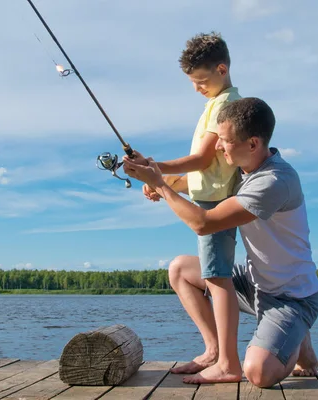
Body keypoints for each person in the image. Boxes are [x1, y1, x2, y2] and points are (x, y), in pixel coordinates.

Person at [122, 97, 318, 387]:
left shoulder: (274, 181)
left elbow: (204, 223)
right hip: (254, 283)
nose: (217, 146)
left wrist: (162, 186)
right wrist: (154, 172)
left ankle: (295, 338)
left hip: (291, 297)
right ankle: (218, 351)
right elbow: (199, 182)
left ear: (252, 144)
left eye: (224, 140)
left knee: (259, 373)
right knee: (180, 269)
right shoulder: (244, 169)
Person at [128, 32, 244, 381]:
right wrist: (163, 182)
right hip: (207, 195)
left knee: (217, 277)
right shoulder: (214, 103)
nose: (197, 88)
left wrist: (156, 169)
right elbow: (207, 170)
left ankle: (227, 364)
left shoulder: (225, 105)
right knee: (189, 272)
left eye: (201, 81)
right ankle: (214, 352)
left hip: (216, 204)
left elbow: (201, 158)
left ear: (221, 69)